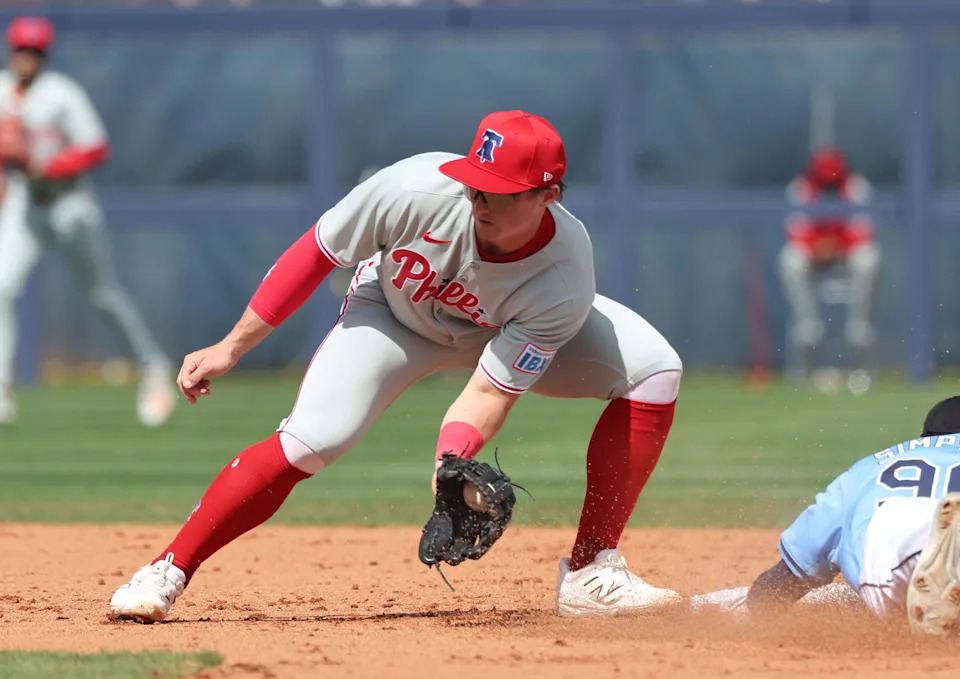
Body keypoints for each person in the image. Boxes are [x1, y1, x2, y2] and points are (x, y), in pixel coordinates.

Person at [108, 110, 684, 622]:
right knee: (312, 440)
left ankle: (588, 573)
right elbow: (317, 251)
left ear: (547, 195)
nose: (479, 202)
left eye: (500, 192)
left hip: (496, 334)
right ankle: (168, 568)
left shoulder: (563, 278)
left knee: (654, 369)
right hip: (393, 315)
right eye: (476, 186)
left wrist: (450, 464)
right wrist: (232, 346)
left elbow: (489, 391)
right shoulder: (414, 190)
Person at [0, 16, 174, 426]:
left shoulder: (60, 93)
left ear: (45, 54)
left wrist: (54, 164)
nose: (28, 57)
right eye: (22, 49)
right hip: (27, 203)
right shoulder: (3, 91)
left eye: (36, 50)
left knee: (103, 295)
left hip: (69, 204)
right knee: (1, 287)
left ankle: (153, 367)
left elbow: (95, 147)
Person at [692, 396, 960, 636]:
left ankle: (930, 577)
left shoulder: (867, 469)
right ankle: (944, 567)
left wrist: (755, 619)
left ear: (924, 437)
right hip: (935, 534)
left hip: (895, 541)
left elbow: (787, 578)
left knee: (895, 549)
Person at [777, 147, 880, 393]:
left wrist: (838, 246)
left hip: (846, 254)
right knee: (791, 260)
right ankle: (808, 327)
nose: (829, 185)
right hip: (813, 256)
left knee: (868, 259)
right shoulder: (801, 188)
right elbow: (796, 231)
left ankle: (859, 329)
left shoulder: (857, 187)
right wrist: (817, 246)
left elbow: (863, 231)